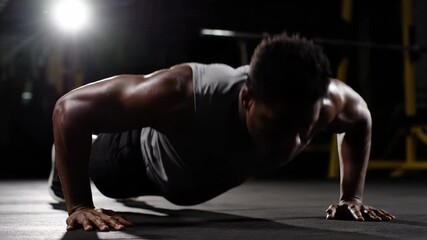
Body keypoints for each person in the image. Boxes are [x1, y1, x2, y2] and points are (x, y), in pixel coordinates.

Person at [49, 32, 395, 231]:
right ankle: (60, 163)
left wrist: (352, 197)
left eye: (304, 130)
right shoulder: (185, 93)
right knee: (97, 169)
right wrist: (78, 203)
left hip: (191, 177)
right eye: (276, 124)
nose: (291, 143)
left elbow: (361, 117)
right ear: (246, 98)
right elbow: (70, 109)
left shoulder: (324, 101)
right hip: (133, 161)